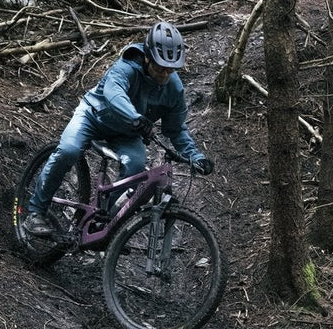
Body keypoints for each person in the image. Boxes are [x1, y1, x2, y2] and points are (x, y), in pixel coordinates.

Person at [23, 20, 214, 237]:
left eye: (170, 70)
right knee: (69, 151)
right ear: (147, 57)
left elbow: (176, 130)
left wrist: (195, 157)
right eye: (160, 68)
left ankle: (101, 221)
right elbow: (114, 94)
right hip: (92, 116)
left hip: (127, 133)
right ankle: (35, 212)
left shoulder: (173, 89)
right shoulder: (125, 67)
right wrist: (136, 117)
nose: (164, 75)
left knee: (136, 167)